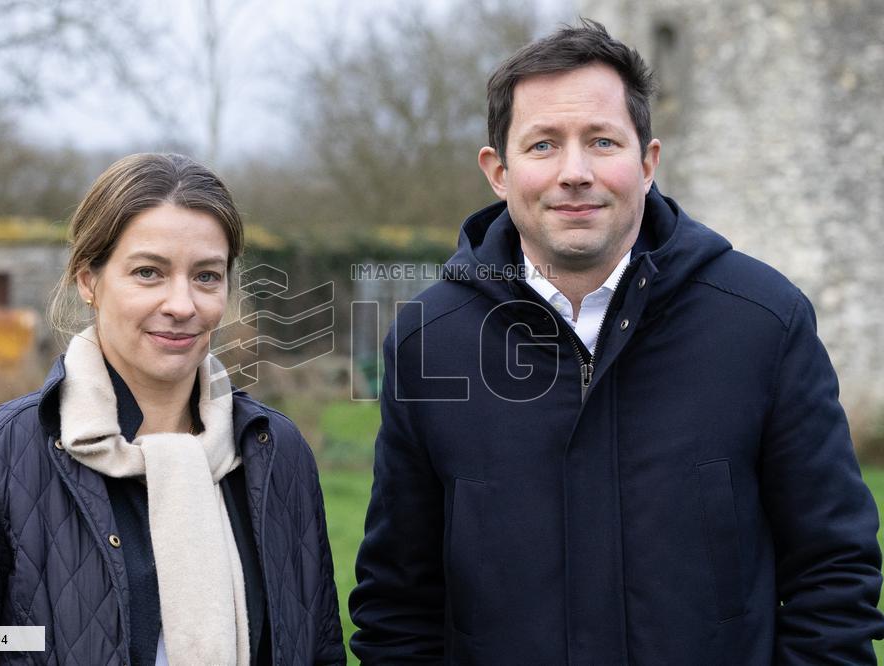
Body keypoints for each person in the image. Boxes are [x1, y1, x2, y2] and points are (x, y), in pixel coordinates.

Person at [349, 19, 884, 664]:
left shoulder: (764, 321)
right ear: (498, 171)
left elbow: (833, 576)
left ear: (648, 161)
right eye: (543, 145)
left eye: (602, 141)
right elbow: (398, 604)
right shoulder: (427, 342)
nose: (575, 173)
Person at [0, 153, 345, 665]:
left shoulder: (274, 453)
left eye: (206, 276)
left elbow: (319, 650)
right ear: (89, 280)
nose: (182, 305)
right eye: (149, 273)